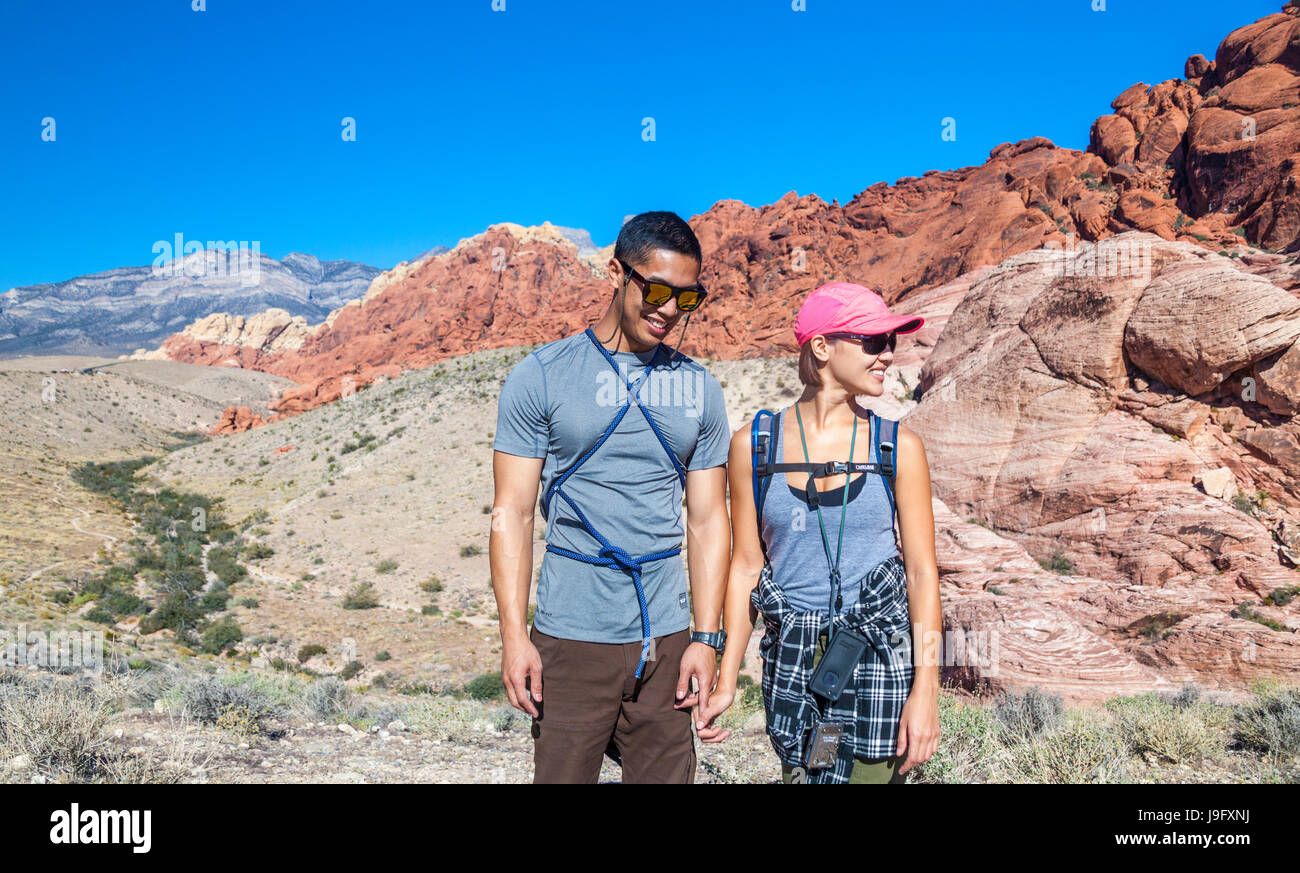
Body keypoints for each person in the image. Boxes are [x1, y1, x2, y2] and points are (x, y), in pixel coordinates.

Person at [489, 211, 732, 783]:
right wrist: (514, 636)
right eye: (656, 290)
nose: (669, 310)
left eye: (687, 298)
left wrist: (706, 638)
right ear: (616, 273)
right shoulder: (542, 376)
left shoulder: (700, 389)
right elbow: (513, 514)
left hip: (668, 637)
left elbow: (706, 522)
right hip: (571, 637)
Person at [697, 281, 943, 783]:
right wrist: (726, 681)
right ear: (822, 346)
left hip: (880, 660)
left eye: (890, 343)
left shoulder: (898, 448)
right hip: (797, 665)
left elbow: (921, 574)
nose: (887, 355)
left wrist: (927, 692)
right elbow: (746, 565)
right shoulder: (755, 446)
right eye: (873, 342)